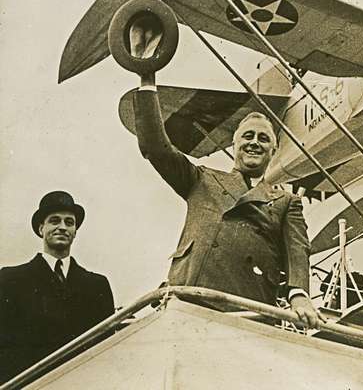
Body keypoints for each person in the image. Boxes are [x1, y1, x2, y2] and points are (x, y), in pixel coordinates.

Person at [134, 71, 321, 329]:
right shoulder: (201, 179)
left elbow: (297, 251)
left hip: (247, 310)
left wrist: (299, 295)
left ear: (273, 150)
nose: (254, 143)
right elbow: (156, 148)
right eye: (247, 136)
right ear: (235, 145)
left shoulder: (286, 201)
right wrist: (147, 80)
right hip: (189, 299)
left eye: (263, 138)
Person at [0, 191, 114, 383]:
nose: (62, 227)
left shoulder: (97, 285)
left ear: (75, 231)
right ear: (41, 228)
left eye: (69, 222)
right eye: (54, 221)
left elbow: (108, 348)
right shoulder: (10, 279)